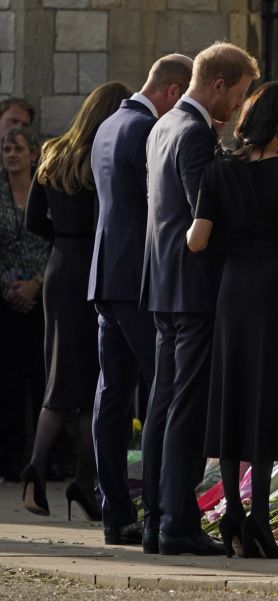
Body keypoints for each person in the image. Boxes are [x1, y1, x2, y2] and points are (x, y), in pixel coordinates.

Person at [186, 82, 278, 559]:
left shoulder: (218, 170)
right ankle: (260, 522)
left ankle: (231, 516)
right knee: (265, 400)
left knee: (232, 397)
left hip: (233, 291)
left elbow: (196, 241)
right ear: (277, 122)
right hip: (277, 295)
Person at [141, 42, 258, 556]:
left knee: (164, 404)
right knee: (185, 408)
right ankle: (177, 526)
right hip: (193, 288)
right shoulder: (193, 133)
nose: (237, 108)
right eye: (237, 95)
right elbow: (200, 216)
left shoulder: (163, 125)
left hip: (164, 284)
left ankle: (156, 519)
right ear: (217, 86)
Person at [90, 55, 193, 546]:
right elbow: (158, 205)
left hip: (106, 273)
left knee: (112, 396)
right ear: (174, 92)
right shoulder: (145, 129)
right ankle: (161, 508)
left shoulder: (109, 124)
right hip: (136, 279)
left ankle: (117, 511)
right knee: (162, 391)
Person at [21, 82, 130, 522]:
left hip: (58, 267)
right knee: (84, 382)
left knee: (65, 379)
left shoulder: (52, 153)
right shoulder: (100, 158)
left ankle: (61, 477)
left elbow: (33, 220)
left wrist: (63, 240)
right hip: (92, 266)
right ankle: (66, 478)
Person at [0, 127, 47, 484]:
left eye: (17, 149)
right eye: (5, 148)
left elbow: (57, 241)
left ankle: (47, 460)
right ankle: (11, 458)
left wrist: (35, 284)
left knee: (42, 375)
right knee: (9, 381)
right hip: (5, 300)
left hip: (42, 298)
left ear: (33, 154)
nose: (10, 154)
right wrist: (9, 287)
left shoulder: (44, 191)